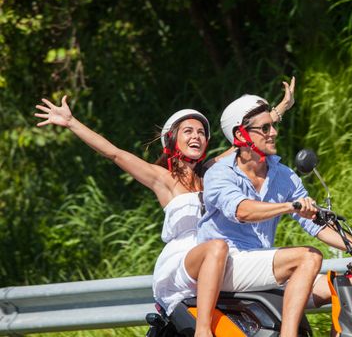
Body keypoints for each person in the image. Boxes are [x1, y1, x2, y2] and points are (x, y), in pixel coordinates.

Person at [34, 78, 296, 337]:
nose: (197, 136)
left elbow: (251, 135)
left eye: (201, 132)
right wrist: (71, 122)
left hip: (219, 263)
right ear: (172, 140)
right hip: (184, 264)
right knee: (218, 247)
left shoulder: (214, 174)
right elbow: (114, 153)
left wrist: (280, 109)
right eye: (188, 131)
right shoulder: (164, 180)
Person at [197, 93, 352, 337]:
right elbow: (242, 210)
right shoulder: (219, 174)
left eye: (272, 126)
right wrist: (289, 206)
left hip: (260, 263)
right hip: (227, 266)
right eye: (265, 127)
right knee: (309, 257)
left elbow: (316, 225)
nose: (273, 132)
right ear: (241, 135)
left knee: (345, 286)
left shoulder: (283, 175)